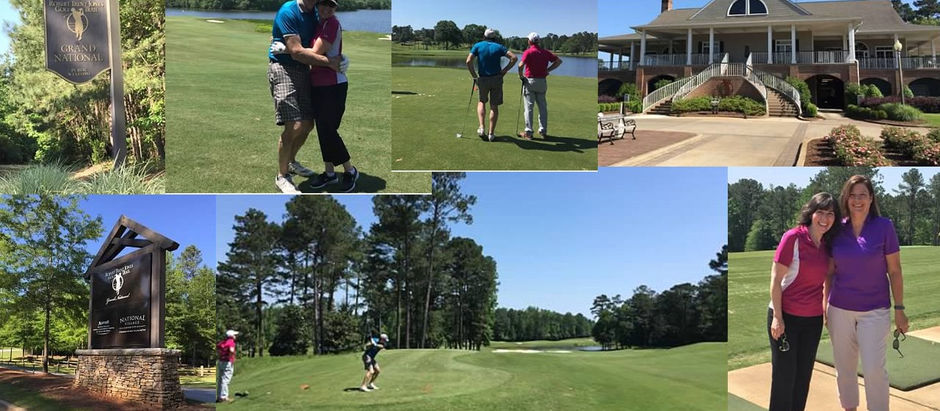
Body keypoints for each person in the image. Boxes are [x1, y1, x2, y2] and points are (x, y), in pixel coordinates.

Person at [827, 175, 907, 411]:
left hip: (875, 310)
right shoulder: (836, 229)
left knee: (873, 369)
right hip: (839, 309)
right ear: (846, 199)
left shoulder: (884, 226)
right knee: (844, 369)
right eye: (852, 195)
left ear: (871, 198)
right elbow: (829, 272)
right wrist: (825, 306)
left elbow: (895, 270)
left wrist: (900, 309)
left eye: (862, 194)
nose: (857, 200)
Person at [767, 193, 840, 411]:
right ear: (811, 213)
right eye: (821, 212)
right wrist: (778, 318)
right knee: (784, 378)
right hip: (785, 317)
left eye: (830, 214)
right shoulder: (793, 238)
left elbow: (827, 279)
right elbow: (775, 279)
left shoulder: (827, 244)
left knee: (802, 378)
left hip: (812, 321)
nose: (825, 218)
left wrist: (826, 311)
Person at [268, 0, 341, 193]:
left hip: (304, 69)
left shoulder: (317, 12)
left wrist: (341, 57)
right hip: (282, 67)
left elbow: (319, 40)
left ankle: (291, 161)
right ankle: (282, 176)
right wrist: (329, 62)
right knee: (295, 124)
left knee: (308, 124)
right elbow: (297, 52)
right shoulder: (288, 11)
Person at [306, 0, 358, 193]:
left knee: (328, 129)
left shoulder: (332, 23)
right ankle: (329, 173)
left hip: (334, 84)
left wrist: (288, 49)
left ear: (335, 8)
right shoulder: (319, 23)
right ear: (318, 5)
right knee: (323, 129)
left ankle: (350, 171)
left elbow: (314, 53)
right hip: (318, 84)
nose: (326, 9)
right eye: (323, 5)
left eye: (331, 6)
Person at [466, 28, 517, 142]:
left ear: (484, 36)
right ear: (494, 37)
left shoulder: (478, 45)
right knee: (494, 106)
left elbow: (468, 61)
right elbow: (514, 58)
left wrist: (475, 76)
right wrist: (504, 71)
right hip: (496, 79)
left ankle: (482, 127)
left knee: (481, 102)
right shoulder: (499, 47)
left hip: (483, 79)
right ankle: (491, 134)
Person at [516, 32, 562, 140]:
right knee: (542, 107)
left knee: (529, 108)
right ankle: (543, 130)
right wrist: (547, 70)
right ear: (538, 41)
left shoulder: (528, 52)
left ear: (529, 41)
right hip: (542, 81)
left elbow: (520, 65)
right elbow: (558, 61)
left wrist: (520, 76)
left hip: (530, 81)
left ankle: (528, 132)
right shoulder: (545, 52)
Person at [216, 330, 239, 402]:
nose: (235, 336)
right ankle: (224, 397)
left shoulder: (222, 342)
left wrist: (221, 355)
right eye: (234, 335)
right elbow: (231, 350)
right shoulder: (231, 342)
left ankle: (219, 396)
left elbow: (218, 348)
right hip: (227, 362)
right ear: (232, 336)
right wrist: (231, 357)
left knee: (220, 379)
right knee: (225, 379)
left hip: (220, 361)